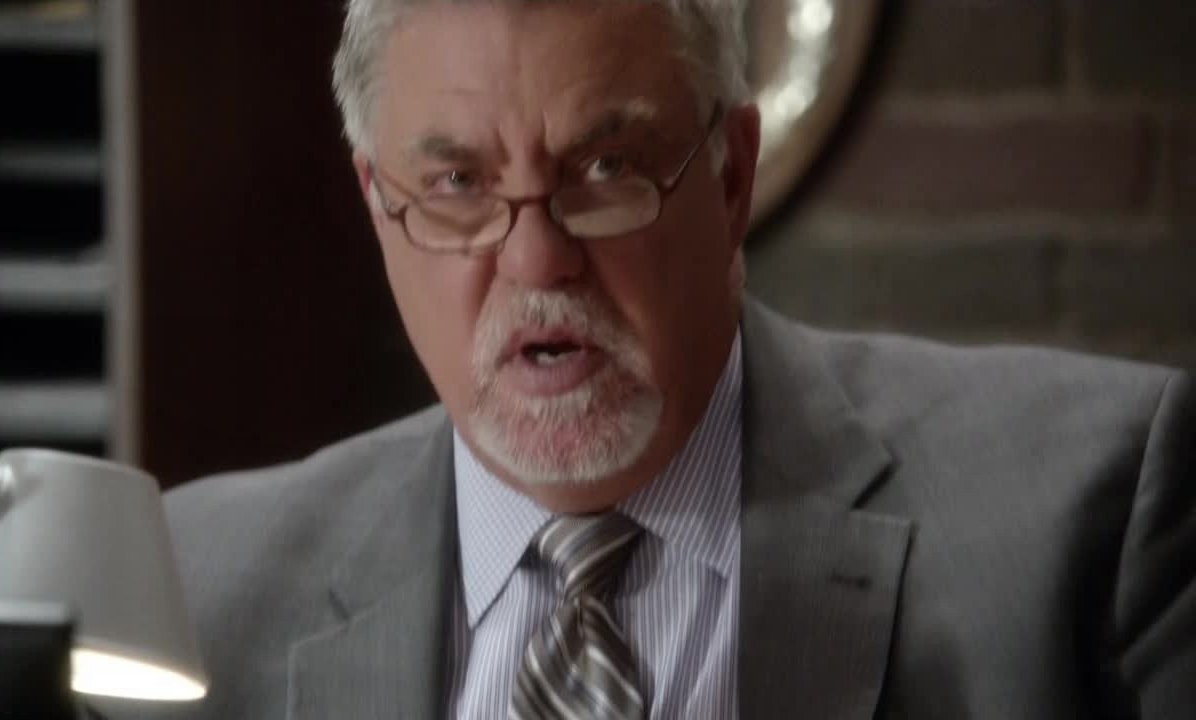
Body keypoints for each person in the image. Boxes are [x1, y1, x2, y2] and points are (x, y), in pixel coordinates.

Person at [119, 1, 1194, 718]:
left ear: (729, 178)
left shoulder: (1088, 519)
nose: (535, 257)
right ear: (375, 203)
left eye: (605, 168)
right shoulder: (193, 591)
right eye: (456, 187)